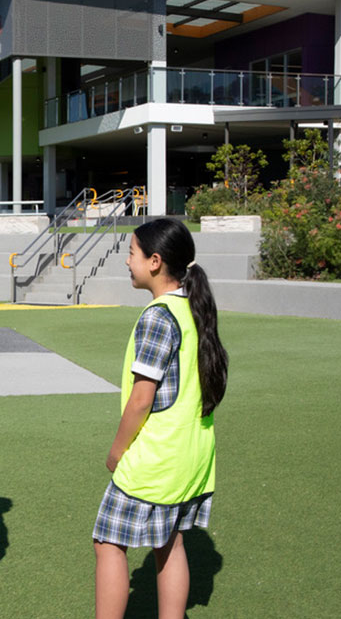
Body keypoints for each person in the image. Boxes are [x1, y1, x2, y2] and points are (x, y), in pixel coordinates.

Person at [93, 218, 229, 619]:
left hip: (155, 459)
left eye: (131, 254)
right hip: (193, 456)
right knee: (170, 542)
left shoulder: (157, 317)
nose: (126, 262)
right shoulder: (193, 307)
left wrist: (117, 453)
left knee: (108, 542)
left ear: (154, 262)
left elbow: (141, 399)